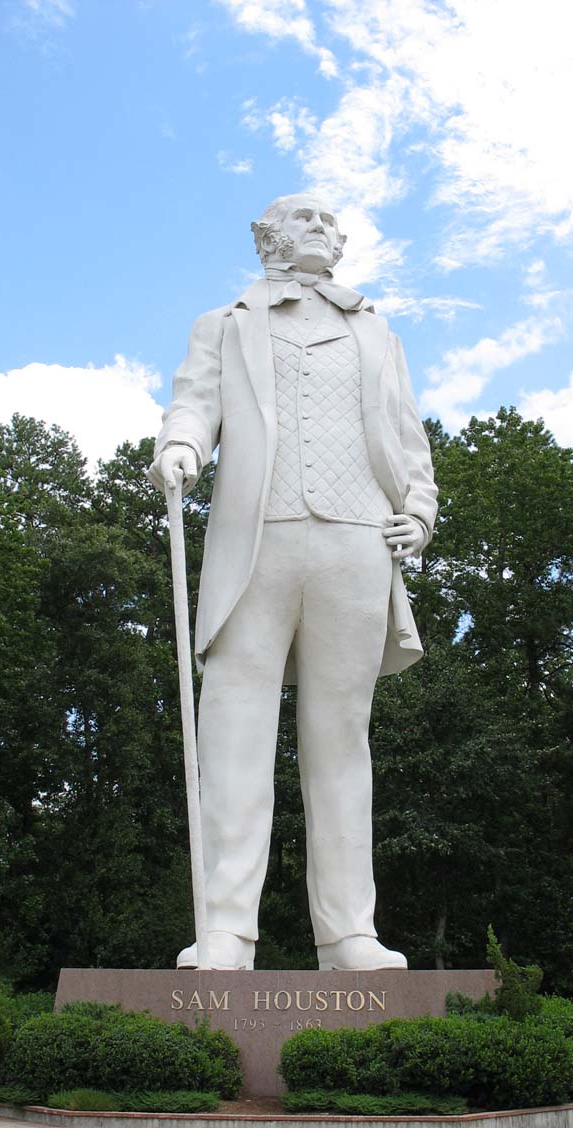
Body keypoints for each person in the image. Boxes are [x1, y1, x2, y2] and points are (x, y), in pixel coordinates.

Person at [149, 194, 438, 971]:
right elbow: (194, 402)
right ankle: (225, 932)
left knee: (341, 740)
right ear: (268, 236)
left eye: (327, 219)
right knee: (234, 736)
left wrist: (420, 508)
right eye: (301, 216)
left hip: (356, 542)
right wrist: (179, 447)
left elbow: (407, 435)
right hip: (256, 543)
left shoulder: (377, 331)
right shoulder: (226, 322)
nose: (318, 225)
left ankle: (349, 935)